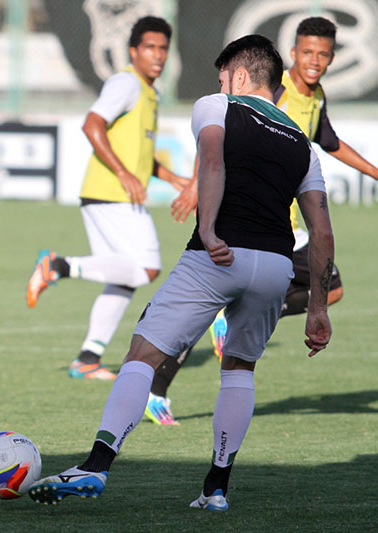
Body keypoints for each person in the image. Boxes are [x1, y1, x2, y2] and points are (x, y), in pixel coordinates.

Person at [29, 34, 334, 511]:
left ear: (237, 76)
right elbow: (322, 231)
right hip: (276, 266)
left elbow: (212, 159)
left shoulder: (218, 105)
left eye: (221, 77)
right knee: (239, 370)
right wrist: (318, 307)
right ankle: (215, 489)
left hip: (219, 256)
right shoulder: (301, 142)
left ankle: (95, 465)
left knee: (142, 354)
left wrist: (209, 230)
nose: (219, 84)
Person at [145, 16, 376, 426]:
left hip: (290, 228)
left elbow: (330, 142)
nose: (314, 61)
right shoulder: (275, 93)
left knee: (330, 290)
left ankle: (177, 369)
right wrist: (199, 187)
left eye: (322, 54)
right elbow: (225, 128)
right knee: (214, 305)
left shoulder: (316, 96)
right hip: (262, 222)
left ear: (332, 59)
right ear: (293, 54)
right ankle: (157, 390)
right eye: (307, 52)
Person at [26, 16, 189, 381]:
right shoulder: (126, 83)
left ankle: (87, 358)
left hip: (107, 192)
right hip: (110, 192)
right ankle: (58, 266)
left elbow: (139, 154)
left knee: (123, 279)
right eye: (150, 47)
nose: (158, 55)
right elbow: (92, 123)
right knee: (146, 269)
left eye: (163, 47)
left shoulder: (150, 92)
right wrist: (123, 173)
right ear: (133, 51)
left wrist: (174, 177)